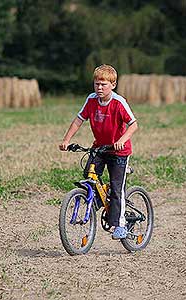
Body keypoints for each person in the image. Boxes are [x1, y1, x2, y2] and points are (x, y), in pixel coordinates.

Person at [59, 64, 138, 240]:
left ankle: (121, 225)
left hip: (119, 151)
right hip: (100, 147)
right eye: (96, 84)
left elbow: (134, 124)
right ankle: (96, 202)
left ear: (113, 84)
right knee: (89, 174)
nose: (99, 88)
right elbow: (79, 120)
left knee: (117, 189)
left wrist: (121, 141)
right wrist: (66, 140)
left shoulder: (118, 103)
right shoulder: (91, 99)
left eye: (103, 84)